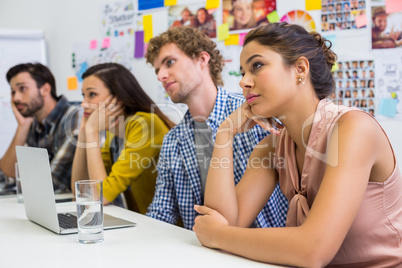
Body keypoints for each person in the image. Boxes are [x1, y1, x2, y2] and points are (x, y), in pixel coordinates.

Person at [193, 22, 402, 267]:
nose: (244, 82)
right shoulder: (271, 147)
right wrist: (225, 133)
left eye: (257, 66)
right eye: (242, 73)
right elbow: (225, 220)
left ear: (300, 69)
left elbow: (313, 251)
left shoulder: (353, 128)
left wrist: (218, 235)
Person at [145, 26, 288, 230]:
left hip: (266, 253)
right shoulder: (173, 140)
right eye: (157, 70)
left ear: (202, 60)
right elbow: (162, 212)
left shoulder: (257, 111)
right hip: (207, 251)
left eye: (169, 62)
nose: (161, 76)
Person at [71, 63, 173, 214]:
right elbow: (81, 193)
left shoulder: (145, 124)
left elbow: (102, 196)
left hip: (163, 228)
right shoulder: (115, 132)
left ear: (117, 97)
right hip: (141, 224)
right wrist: (84, 132)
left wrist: (92, 131)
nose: (83, 103)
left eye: (92, 94)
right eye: (83, 95)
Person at [0, 63, 80, 192]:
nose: (16, 98)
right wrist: (22, 127)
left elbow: (52, 183)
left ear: (45, 89)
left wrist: (22, 182)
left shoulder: (74, 118)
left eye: (22, 89)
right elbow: (6, 178)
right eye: (13, 92)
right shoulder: (33, 124)